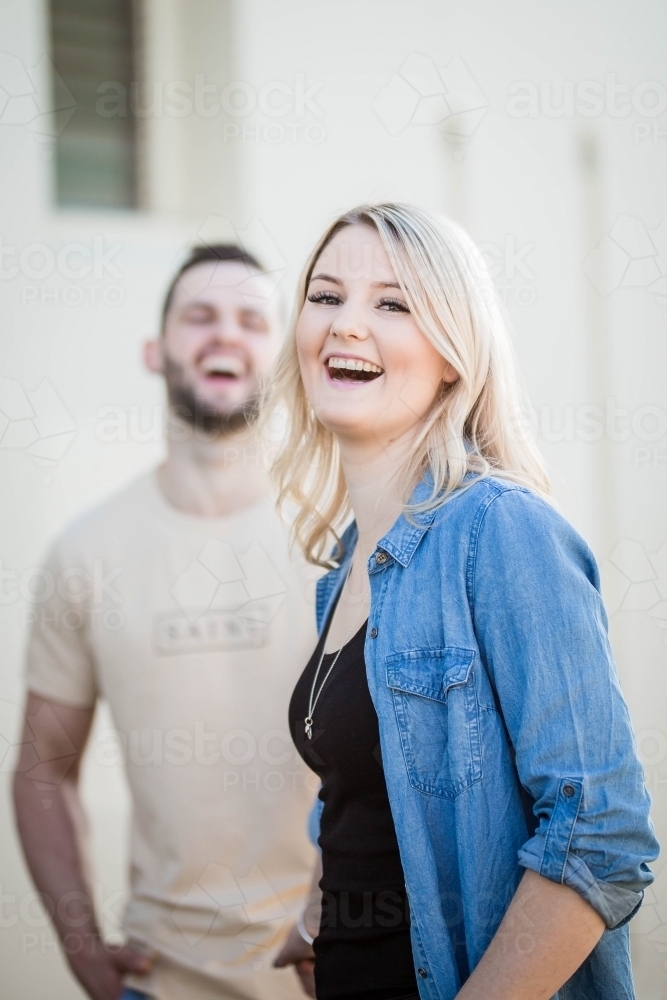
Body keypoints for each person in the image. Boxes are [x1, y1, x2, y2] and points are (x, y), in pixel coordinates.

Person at [267, 204, 660, 1000]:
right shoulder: (344, 569)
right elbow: (369, 786)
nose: (346, 325)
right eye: (325, 295)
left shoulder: (501, 533)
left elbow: (598, 834)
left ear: (453, 353)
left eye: (392, 303)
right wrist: (319, 913)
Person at [13, 244, 320, 1000]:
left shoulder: (337, 536)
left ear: (279, 356)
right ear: (156, 350)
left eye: (252, 320)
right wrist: (82, 948)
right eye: (200, 316)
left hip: (334, 980)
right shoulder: (86, 552)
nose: (225, 335)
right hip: (159, 982)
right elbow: (42, 768)